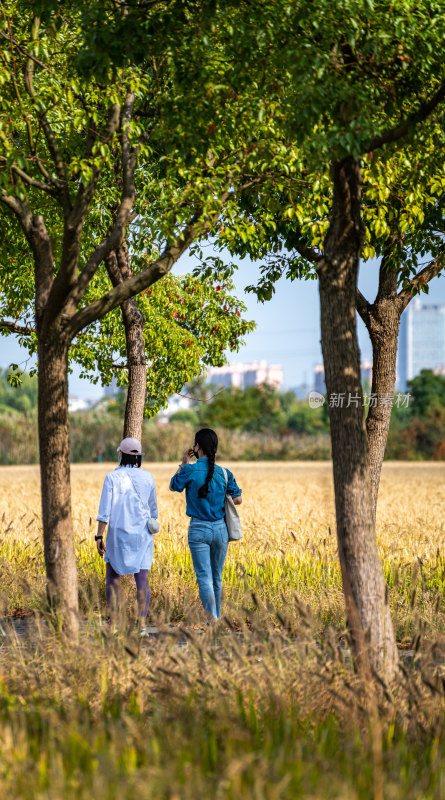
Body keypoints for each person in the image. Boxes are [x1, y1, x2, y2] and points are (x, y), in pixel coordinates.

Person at [170, 428, 242, 622]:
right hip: (221, 530)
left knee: (204, 577)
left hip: (199, 529)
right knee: (217, 577)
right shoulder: (225, 473)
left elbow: (174, 485)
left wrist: (184, 462)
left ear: (197, 447)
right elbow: (238, 499)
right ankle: (215, 621)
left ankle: (213, 621)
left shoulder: (189, 470)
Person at [95, 437, 159, 635]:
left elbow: (104, 511)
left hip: (118, 536)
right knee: (142, 580)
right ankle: (141, 626)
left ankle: (113, 623)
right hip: (143, 536)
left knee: (113, 579)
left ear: (121, 454)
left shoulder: (112, 477)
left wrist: (99, 536)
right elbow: (153, 510)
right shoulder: (148, 477)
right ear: (139, 457)